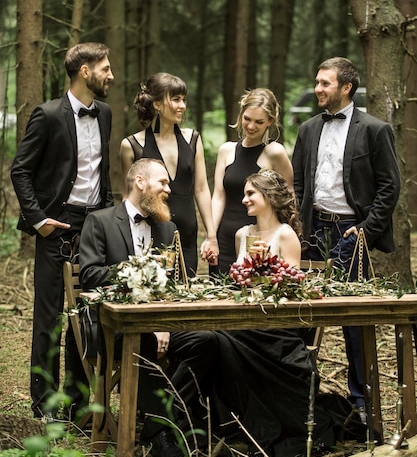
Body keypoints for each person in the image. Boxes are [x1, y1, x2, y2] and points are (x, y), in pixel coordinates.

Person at [211, 169, 364, 457]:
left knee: (226, 341)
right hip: (242, 321)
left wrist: (264, 265)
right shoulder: (241, 234)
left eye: (250, 194)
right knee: (215, 339)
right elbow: (236, 284)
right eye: (244, 194)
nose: (243, 200)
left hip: (275, 328)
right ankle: (233, 424)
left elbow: (291, 292)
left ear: (268, 197)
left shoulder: (286, 235)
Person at [79, 158, 219, 457]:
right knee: (140, 340)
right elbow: (89, 274)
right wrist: (137, 271)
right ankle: (164, 434)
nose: (168, 189)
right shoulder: (100, 221)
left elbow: (174, 286)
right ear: (140, 182)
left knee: (207, 340)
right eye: (163, 183)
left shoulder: (167, 228)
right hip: (111, 326)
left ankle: (162, 421)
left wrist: (163, 323)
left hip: (159, 325)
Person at [10, 42, 114, 421]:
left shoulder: (104, 113)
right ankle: (45, 404)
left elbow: (101, 175)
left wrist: (106, 220)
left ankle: (76, 401)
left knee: (88, 312)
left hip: (93, 227)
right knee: (50, 315)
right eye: (105, 68)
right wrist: (39, 220)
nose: (111, 75)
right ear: (84, 71)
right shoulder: (48, 114)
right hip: (56, 225)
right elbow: (20, 170)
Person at [292, 56, 401, 417]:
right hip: (313, 232)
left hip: (350, 232)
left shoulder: (374, 129)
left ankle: (362, 406)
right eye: (318, 82)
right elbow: (297, 182)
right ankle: (301, 397)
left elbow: (390, 186)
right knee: (303, 316)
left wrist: (367, 232)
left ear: (346, 88)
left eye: (325, 83)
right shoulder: (308, 129)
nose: (318, 88)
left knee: (354, 322)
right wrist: (298, 226)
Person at [119, 73, 218, 277]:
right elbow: (127, 198)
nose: (182, 105)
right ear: (156, 104)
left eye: (184, 99)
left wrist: (211, 235)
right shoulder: (132, 146)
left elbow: (201, 189)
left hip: (187, 235)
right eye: (175, 99)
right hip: (150, 234)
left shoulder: (193, 139)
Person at [211, 88, 293, 274]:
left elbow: (288, 197)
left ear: (270, 122)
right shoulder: (226, 150)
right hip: (224, 236)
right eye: (247, 118)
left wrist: (276, 238)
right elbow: (218, 196)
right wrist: (211, 235)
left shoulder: (274, 152)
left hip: (258, 239)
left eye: (259, 122)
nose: (251, 126)